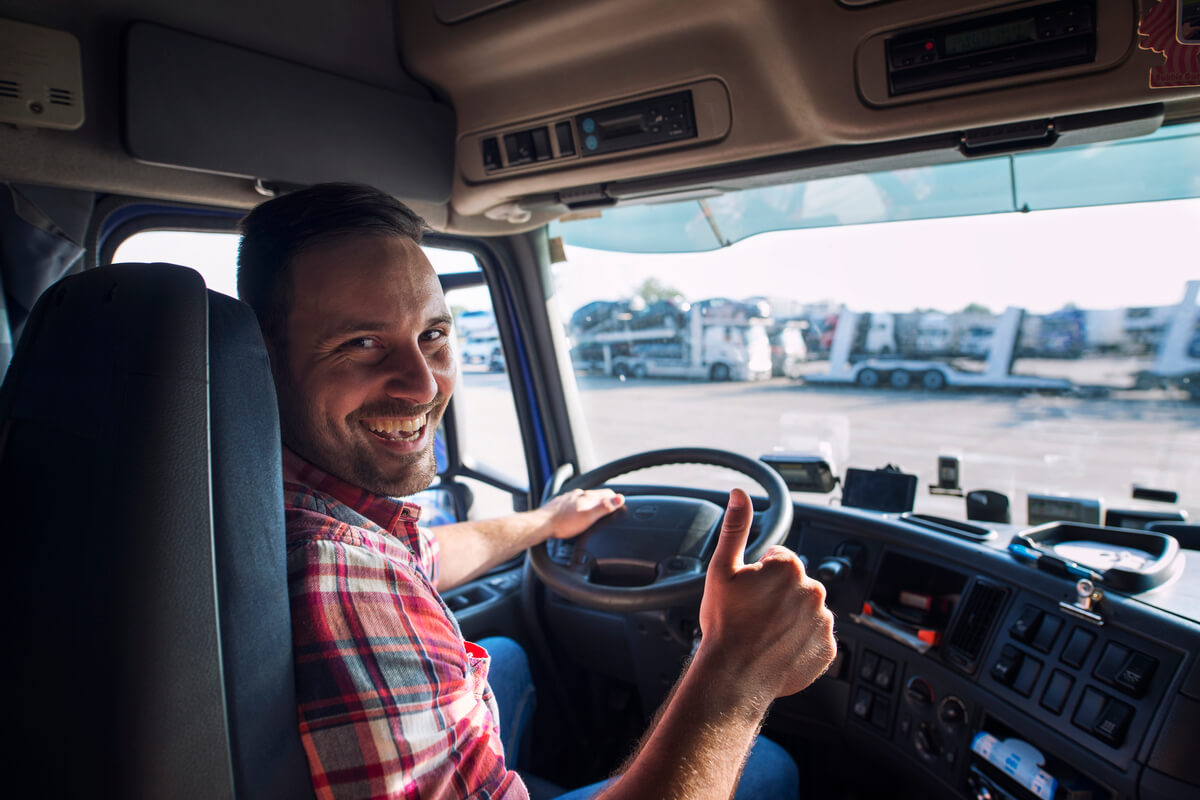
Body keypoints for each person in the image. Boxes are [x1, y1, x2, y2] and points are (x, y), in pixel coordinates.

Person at [237, 182, 837, 800]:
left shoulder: (269, 498)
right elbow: (365, 576)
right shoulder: (341, 577)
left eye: (433, 336)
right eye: (361, 344)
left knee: (506, 656)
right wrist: (736, 668)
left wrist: (547, 522)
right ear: (263, 362)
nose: (423, 385)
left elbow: (421, 556)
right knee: (766, 765)